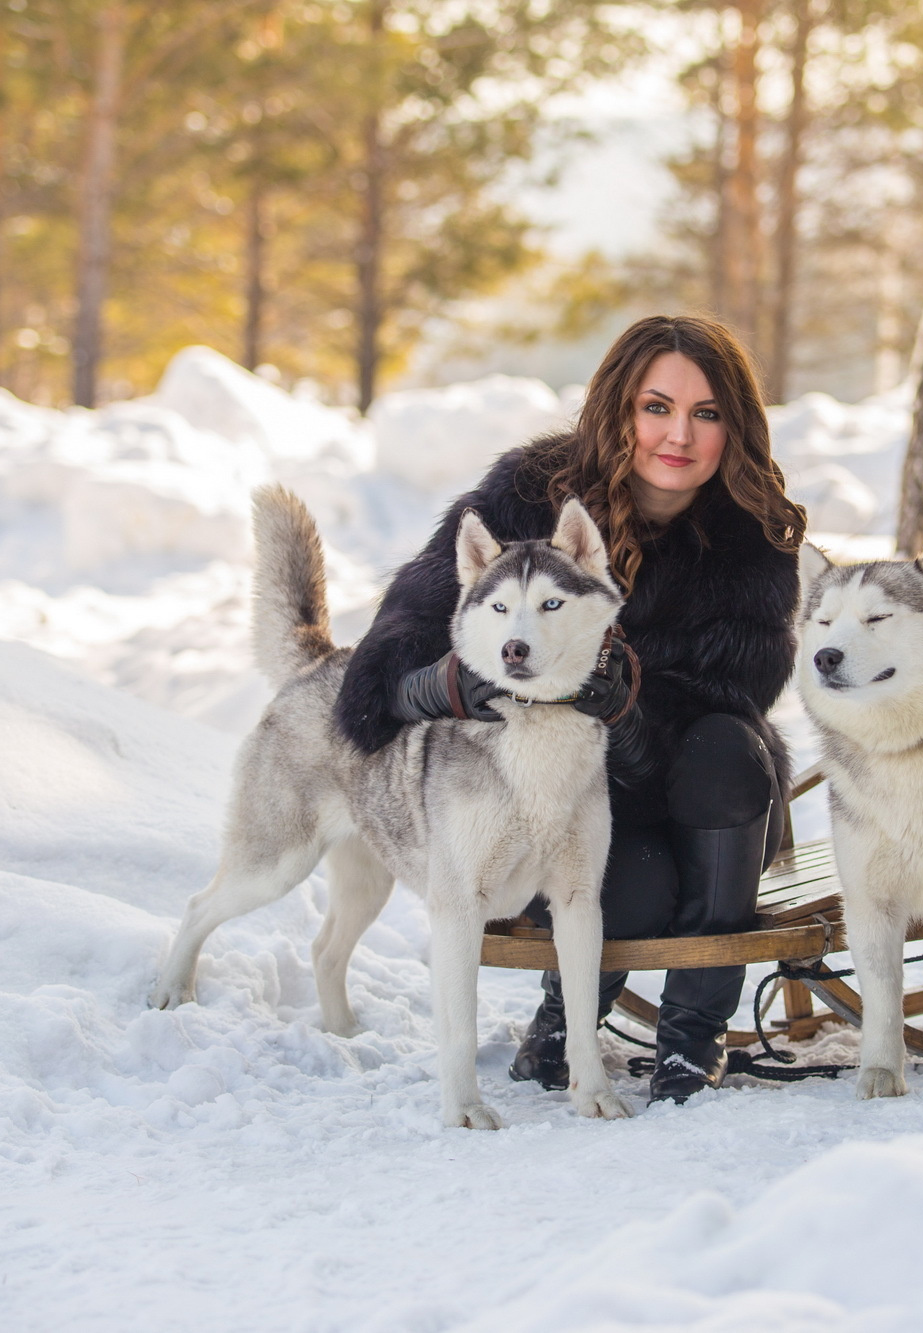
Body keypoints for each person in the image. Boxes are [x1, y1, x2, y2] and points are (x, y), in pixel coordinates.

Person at [335, 314, 805, 1103]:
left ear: (736, 426)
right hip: (560, 803)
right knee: (635, 896)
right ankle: (567, 1015)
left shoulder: (751, 540)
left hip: (697, 799)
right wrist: (433, 688)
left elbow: (732, 702)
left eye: (707, 412)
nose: (678, 435)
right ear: (620, 409)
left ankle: (694, 1035)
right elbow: (402, 639)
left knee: (730, 749)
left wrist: (627, 712)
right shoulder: (527, 496)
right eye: (657, 407)